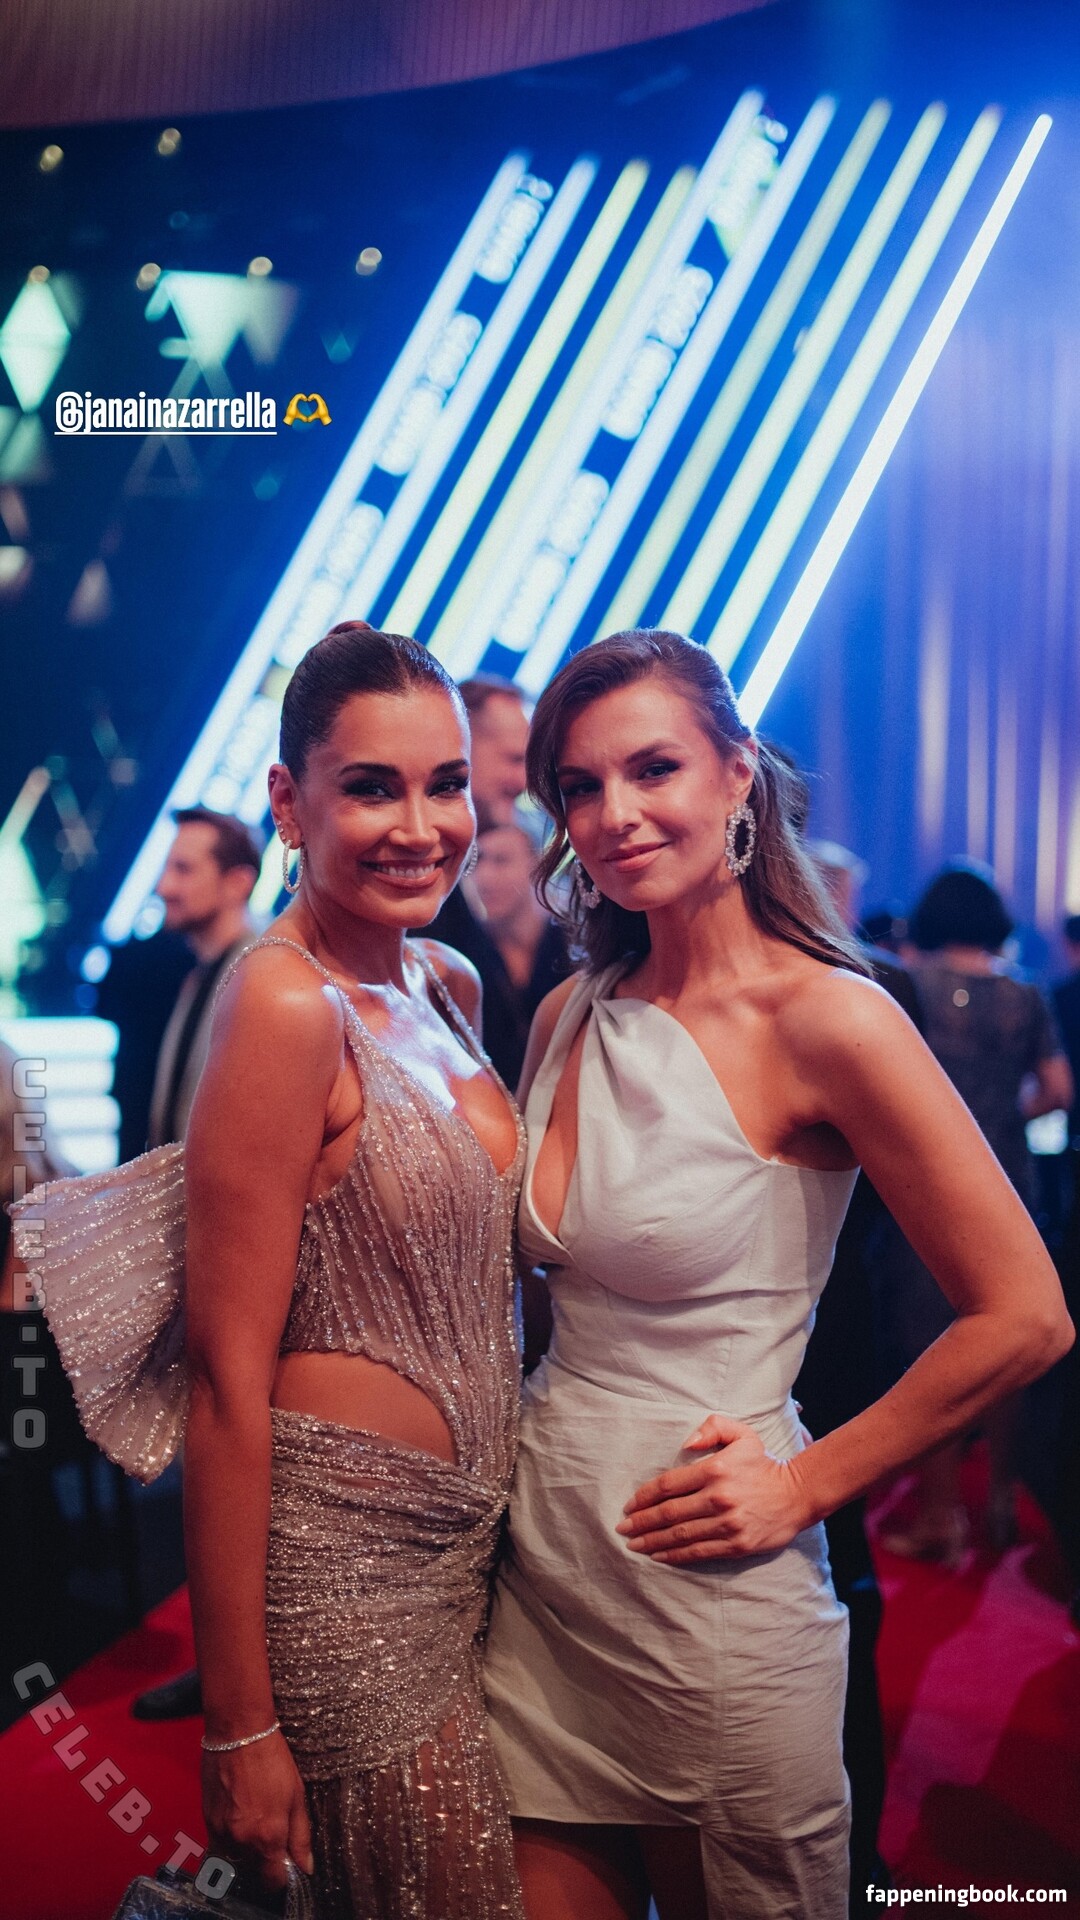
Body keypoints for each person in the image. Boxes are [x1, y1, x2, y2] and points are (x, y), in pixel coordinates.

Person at [482, 630, 1072, 1920]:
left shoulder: (831, 1017)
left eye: (653, 768)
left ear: (738, 774)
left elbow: (1026, 1315)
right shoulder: (570, 1012)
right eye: (580, 786)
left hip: (712, 1601)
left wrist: (807, 1483)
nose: (615, 814)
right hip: (544, 1580)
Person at [182, 624, 525, 1916]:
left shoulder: (446, 982)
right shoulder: (284, 1005)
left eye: (447, 785)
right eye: (373, 788)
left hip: (481, 1554)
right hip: (348, 1581)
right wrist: (237, 1721)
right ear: (290, 802)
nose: (421, 827)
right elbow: (224, 1382)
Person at [880, 864, 1073, 1560]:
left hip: (927, 1178)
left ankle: (939, 1516)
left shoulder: (911, 986)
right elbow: (1058, 1090)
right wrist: (1005, 1119)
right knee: (1006, 1332)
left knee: (934, 1345)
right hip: (1008, 1176)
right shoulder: (1024, 993)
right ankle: (997, 1500)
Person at [133, 806, 262, 1722]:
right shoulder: (203, 976)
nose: (165, 885)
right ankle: (223, 1665)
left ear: (237, 880)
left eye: (184, 869)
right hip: (191, 1249)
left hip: (235, 1264)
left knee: (233, 1470)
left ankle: (240, 1680)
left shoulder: (256, 979)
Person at [425, 676, 534, 1085]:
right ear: (463, 746)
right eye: (513, 759)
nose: (524, 782)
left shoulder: (457, 875)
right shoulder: (415, 878)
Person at [469, 812, 569, 1088]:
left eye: (501, 861)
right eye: (476, 863)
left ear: (536, 865)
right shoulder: (467, 951)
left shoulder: (572, 946)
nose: (484, 877)